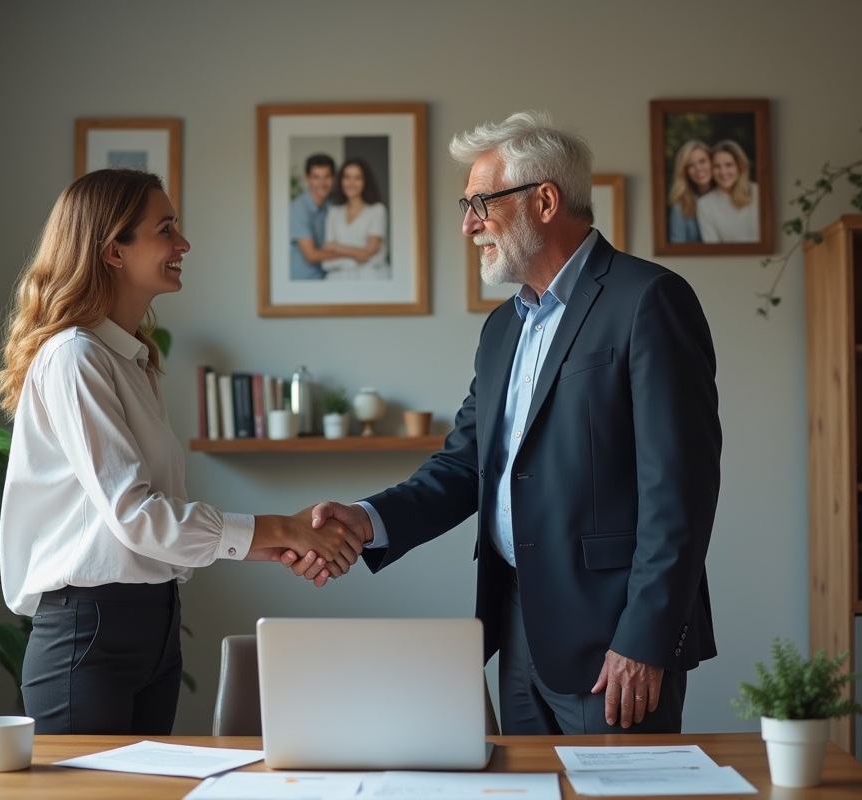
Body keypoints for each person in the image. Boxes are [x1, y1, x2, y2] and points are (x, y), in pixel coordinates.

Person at [298, 111, 721, 735]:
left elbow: (680, 491)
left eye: (479, 203)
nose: (468, 223)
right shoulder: (502, 329)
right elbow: (465, 463)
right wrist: (368, 519)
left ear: (544, 200)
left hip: (615, 640)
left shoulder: (649, 301)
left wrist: (645, 638)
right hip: (517, 627)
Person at [0, 168, 362, 737]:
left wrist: (271, 543)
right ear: (115, 249)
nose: (183, 244)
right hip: (89, 635)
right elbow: (138, 518)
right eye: (166, 229)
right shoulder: (75, 358)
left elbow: (154, 521)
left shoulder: (132, 360)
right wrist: (281, 530)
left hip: (154, 624)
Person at [320, 158, 391, 281]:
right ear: (341, 180)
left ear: (365, 181)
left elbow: (367, 253)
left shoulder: (377, 210)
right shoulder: (334, 212)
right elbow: (327, 252)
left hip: (371, 277)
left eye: (357, 178)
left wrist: (336, 247)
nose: (351, 183)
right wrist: (356, 252)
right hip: (338, 279)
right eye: (347, 177)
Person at [696, 140, 759, 243]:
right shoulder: (704, 204)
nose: (723, 172)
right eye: (717, 166)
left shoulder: (759, 193)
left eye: (729, 165)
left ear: (740, 166)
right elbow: (712, 248)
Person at [289, 154, 336, 280]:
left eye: (327, 177)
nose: (322, 183)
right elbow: (311, 255)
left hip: (326, 279)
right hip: (302, 282)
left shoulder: (333, 206)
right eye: (316, 177)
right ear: (307, 179)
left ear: (333, 178)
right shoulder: (297, 209)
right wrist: (353, 254)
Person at [667, 140, 713, 243]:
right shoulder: (680, 207)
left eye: (702, 161)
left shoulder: (727, 198)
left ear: (712, 161)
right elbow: (677, 248)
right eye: (691, 165)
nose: (699, 168)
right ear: (684, 171)